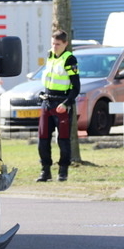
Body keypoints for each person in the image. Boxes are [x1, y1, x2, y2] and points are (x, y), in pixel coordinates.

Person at [36, 29, 80, 182]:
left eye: (58, 44)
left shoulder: (69, 59)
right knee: (42, 139)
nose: (55, 47)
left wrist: (66, 103)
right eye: (53, 43)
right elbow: (49, 80)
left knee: (63, 140)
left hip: (61, 104)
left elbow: (76, 87)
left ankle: (63, 171)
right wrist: (42, 94)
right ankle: (45, 171)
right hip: (47, 102)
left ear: (65, 44)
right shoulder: (50, 56)